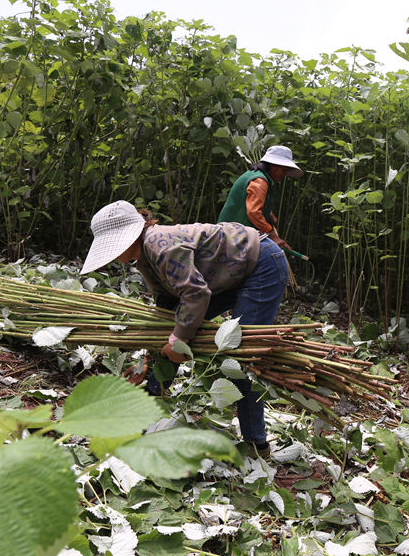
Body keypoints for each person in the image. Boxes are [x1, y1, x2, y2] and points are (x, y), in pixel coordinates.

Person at [80, 200, 289, 457]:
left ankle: (256, 444)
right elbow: (168, 307)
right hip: (229, 273)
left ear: (127, 237)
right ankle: (150, 405)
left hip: (262, 265)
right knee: (174, 334)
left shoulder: (159, 245)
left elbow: (195, 294)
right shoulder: (143, 256)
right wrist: (150, 357)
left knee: (243, 354)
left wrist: (179, 339)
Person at [218, 145, 303, 251]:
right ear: (274, 165)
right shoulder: (260, 180)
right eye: (284, 169)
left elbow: (253, 201)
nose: (285, 174)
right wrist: (272, 235)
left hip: (237, 233)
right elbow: (254, 212)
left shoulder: (259, 176)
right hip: (231, 234)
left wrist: (269, 215)